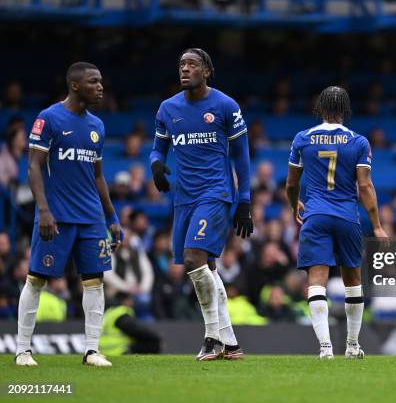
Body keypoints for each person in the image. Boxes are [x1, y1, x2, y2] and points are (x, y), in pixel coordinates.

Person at [15, 62, 123, 367]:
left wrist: (112, 218)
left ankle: (92, 350)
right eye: (94, 82)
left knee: (95, 280)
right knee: (37, 279)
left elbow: (98, 176)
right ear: (75, 85)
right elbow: (34, 166)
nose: (100, 86)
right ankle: (23, 349)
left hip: (90, 218)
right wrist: (44, 210)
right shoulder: (49, 119)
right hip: (56, 217)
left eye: (101, 81)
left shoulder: (97, 126)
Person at [149, 48, 252, 361]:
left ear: (207, 71)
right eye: (181, 64)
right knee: (205, 266)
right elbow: (158, 149)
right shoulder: (167, 109)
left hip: (215, 193)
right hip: (185, 199)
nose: (184, 69)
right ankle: (231, 342)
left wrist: (244, 198)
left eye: (192, 64)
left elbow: (241, 155)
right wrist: (155, 164)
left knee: (194, 258)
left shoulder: (225, 105)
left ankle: (211, 338)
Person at [285, 86, 387, 360]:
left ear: (319, 108)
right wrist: (376, 224)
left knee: (316, 281)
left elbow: (291, 184)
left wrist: (295, 206)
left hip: (315, 216)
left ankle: (325, 348)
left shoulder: (302, 138)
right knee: (352, 282)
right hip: (346, 217)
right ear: (345, 110)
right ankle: (353, 346)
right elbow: (364, 186)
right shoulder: (358, 141)